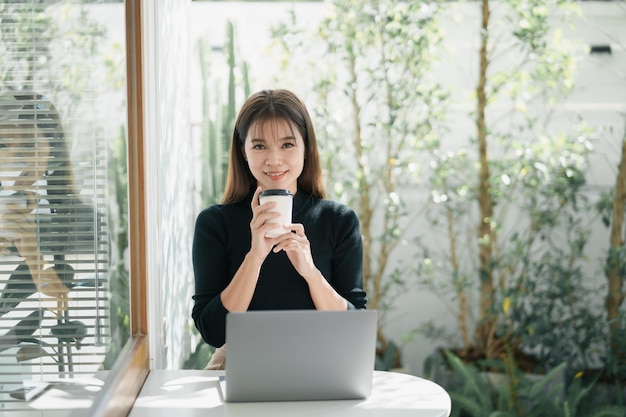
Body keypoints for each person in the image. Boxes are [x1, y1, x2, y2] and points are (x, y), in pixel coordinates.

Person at [191, 89, 367, 369]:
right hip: (238, 366)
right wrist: (255, 257)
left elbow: (354, 328)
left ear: (306, 149)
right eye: (259, 146)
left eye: (287, 144)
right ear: (243, 152)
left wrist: (310, 272)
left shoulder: (339, 220)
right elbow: (213, 331)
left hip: (320, 365)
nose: (274, 160)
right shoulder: (214, 223)